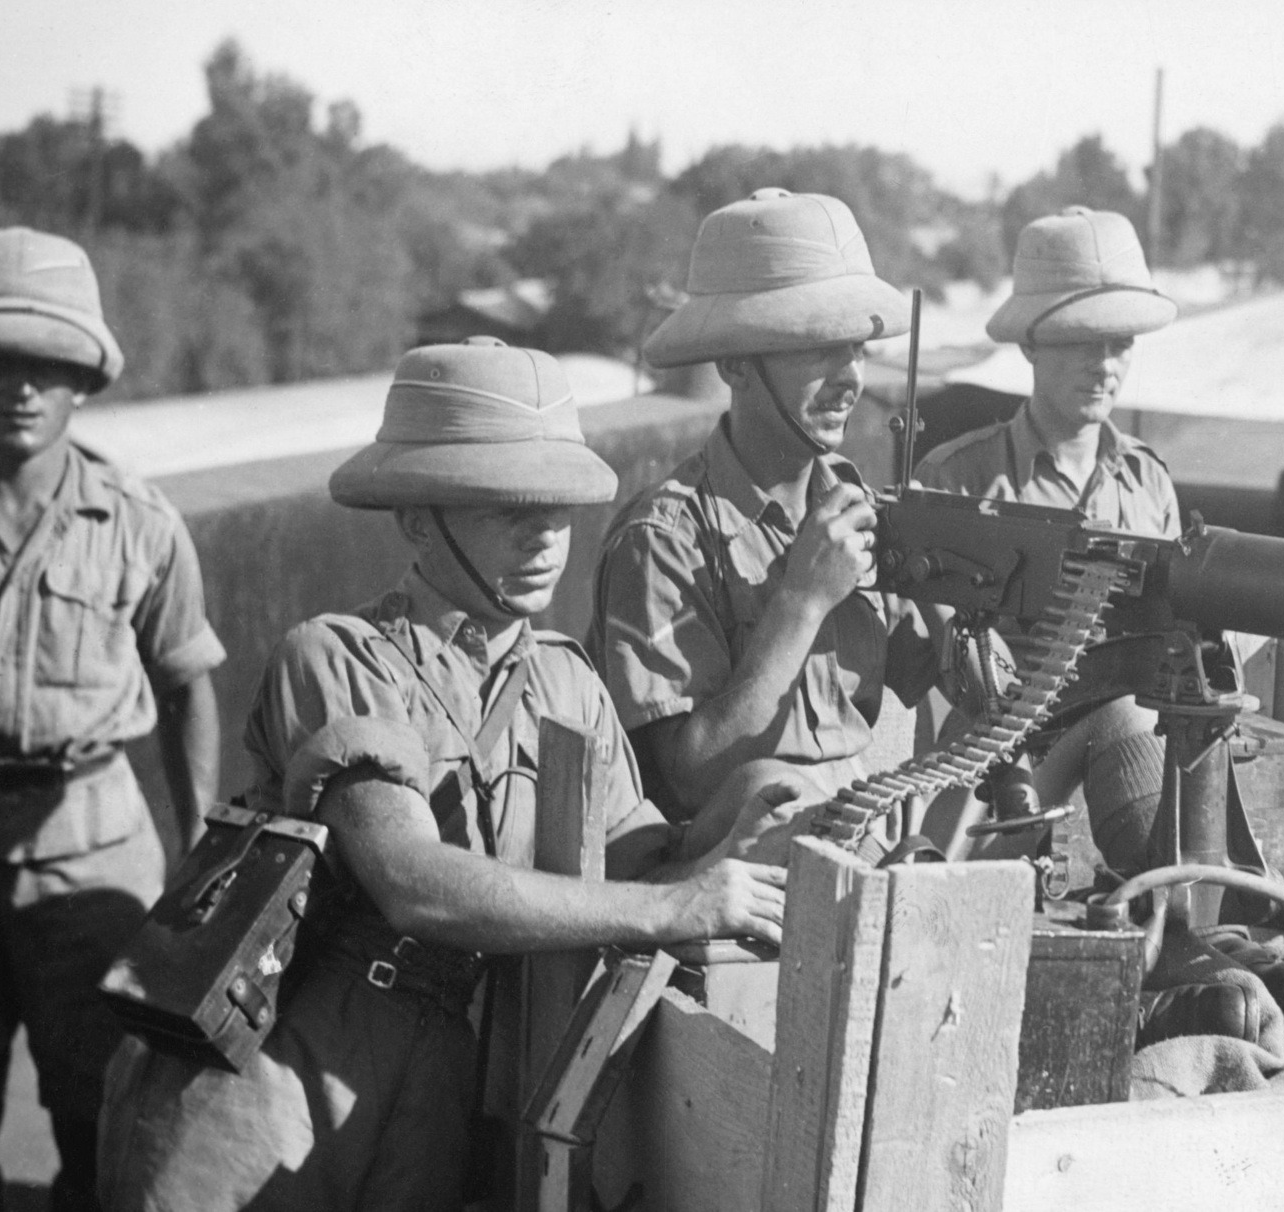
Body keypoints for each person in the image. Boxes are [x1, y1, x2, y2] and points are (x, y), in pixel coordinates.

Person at [97, 338, 786, 1210]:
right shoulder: (341, 657)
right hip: (300, 1037)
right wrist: (673, 907)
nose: (545, 537)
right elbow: (413, 884)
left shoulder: (569, 681)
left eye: (561, 508)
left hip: (449, 1067)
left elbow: (638, 861)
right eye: (507, 508)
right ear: (419, 519)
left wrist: (737, 825)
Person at [0, 226, 224, 1212]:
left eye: (48, 364)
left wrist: (199, 845)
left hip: (91, 855)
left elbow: (187, 683)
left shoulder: (138, 523)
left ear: (84, 380)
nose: (22, 389)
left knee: (100, 1124)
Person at [590, 189, 936, 858]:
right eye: (817, 349)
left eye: (859, 348)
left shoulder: (852, 509)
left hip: (856, 840)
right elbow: (688, 779)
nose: (851, 378)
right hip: (715, 878)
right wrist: (802, 602)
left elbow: (984, 705)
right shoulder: (664, 540)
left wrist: (967, 597)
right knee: (780, 787)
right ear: (735, 363)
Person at [911, 207, 1180, 874]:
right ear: (1030, 345)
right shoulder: (957, 480)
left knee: (1132, 727)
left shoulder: (1147, 486)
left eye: (1119, 343)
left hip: (1127, 751)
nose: (1104, 364)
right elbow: (928, 658)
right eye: (1080, 341)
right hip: (995, 762)